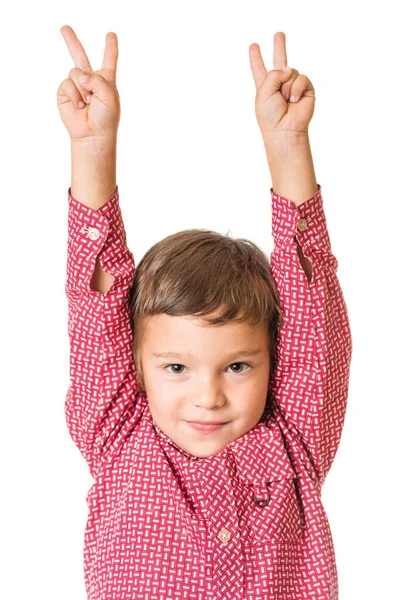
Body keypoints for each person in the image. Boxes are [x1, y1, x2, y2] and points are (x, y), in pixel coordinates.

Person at [58, 25, 352, 600]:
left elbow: (313, 307)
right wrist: (92, 148)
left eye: (238, 366)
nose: (208, 396)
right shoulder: (117, 435)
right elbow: (93, 297)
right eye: (176, 368)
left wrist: (288, 147)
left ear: (275, 359)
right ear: (135, 365)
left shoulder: (295, 440)